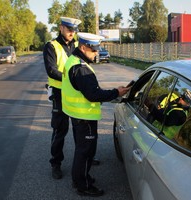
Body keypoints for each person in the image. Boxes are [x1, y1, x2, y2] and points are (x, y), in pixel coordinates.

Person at [61, 32, 130, 197]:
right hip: (85, 118)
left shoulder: (73, 61)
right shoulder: (81, 68)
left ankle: (80, 178)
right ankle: (82, 185)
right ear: (83, 48)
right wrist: (117, 92)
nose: (97, 53)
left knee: (82, 151)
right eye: (94, 50)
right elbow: (93, 94)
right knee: (85, 152)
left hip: (77, 115)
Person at [43, 17, 100, 180]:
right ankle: (56, 163)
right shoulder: (51, 46)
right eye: (69, 29)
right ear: (61, 28)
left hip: (75, 93)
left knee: (79, 128)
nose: (72, 33)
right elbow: (51, 70)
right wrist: (72, 78)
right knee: (60, 129)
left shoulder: (77, 45)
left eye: (74, 30)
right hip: (60, 93)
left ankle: (83, 158)